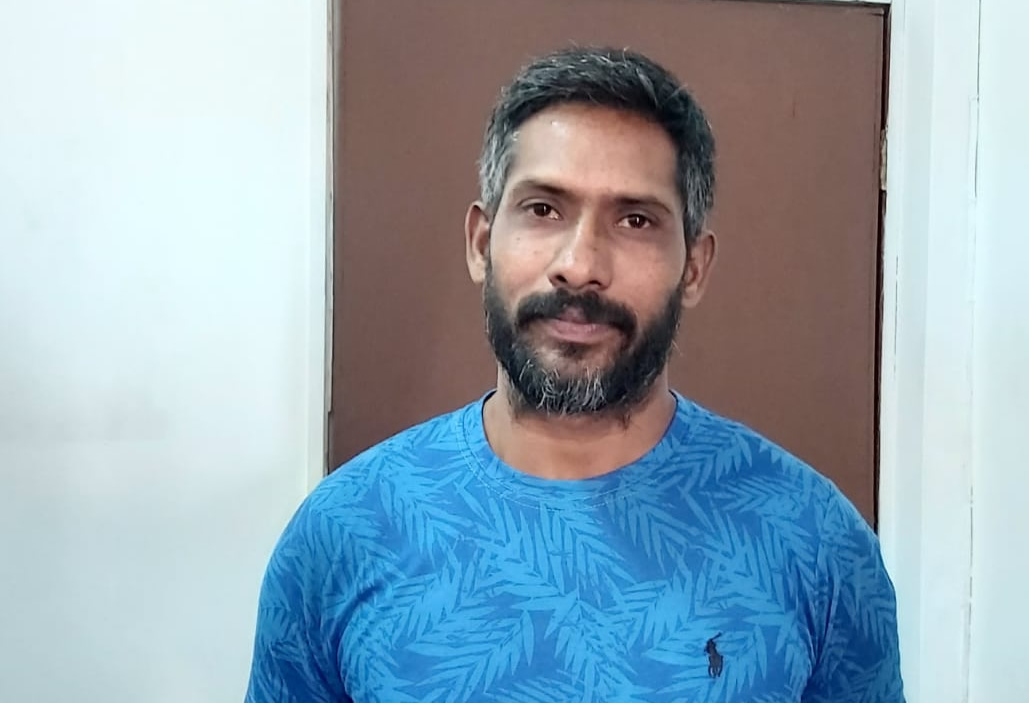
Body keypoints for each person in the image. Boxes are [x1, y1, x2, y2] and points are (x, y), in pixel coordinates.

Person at [245, 46, 904, 703]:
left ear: (694, 268)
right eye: (543, 210)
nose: (581, 264)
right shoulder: (344, 532)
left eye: (636, 220)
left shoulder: (815, 542)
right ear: (481, 243)